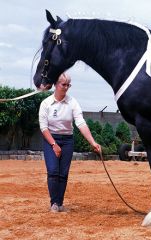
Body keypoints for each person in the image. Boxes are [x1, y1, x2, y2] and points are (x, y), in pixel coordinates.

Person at [38, 73, 101, 213]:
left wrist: (93, 142)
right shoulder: (46, 104)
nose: (66, 87)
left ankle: (60, 203)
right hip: (51, 139)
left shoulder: (72, 102)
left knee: (63, 173)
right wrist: (54, 144)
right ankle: (54, 203)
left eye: (68, 85)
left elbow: (80, 123)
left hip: (67, 140)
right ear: (56, 84)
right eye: (63, 84)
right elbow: (43, 127)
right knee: (53, 171)